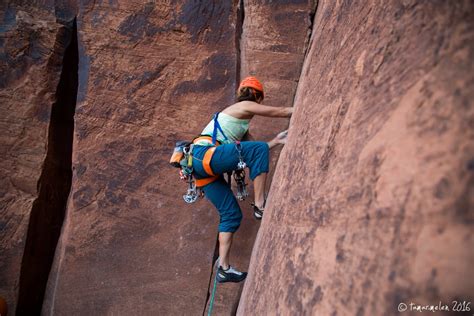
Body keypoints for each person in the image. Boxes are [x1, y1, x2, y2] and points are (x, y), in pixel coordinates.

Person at [191, 76, 292, 283]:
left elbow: (255, 152)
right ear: (258, 97)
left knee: (231, 215)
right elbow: (280, 112)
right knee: (257, 150)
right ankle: (260, 205)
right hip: (205, 155)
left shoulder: (241, 127)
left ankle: (224, 268)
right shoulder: (244, 106)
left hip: (200, 166)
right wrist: (304, 106)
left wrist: (277, 141)